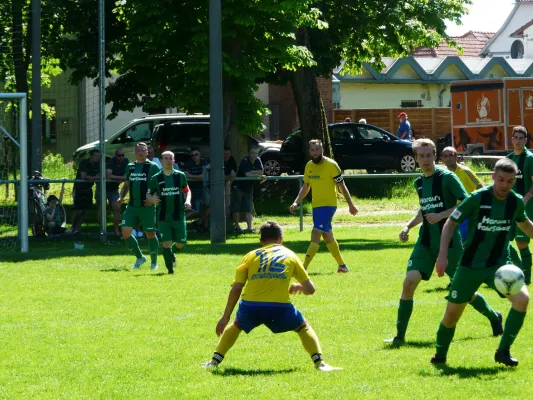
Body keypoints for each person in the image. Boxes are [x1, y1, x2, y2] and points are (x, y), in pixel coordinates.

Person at [385, 139, 502, 345]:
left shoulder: (447, 178)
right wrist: (407, 226)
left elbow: (467, 203)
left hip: (450, 244)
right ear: (416, 158)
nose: (425, 159)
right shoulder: (419, 182)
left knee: (465, 292)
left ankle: (494, 316)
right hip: (425, 242)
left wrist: (441, 215)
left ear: (435, 156)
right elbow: (424, 210)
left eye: (429, 155)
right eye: (421, 156)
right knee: (408, 283)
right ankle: (399, 336)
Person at [432, 158, 533, 367]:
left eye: (510, 181)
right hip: (469, 266)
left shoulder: (515, 202)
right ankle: (440, 356)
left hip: (499, 266)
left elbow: (525, 225)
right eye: (502, 180)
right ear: (494, 177)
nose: (505, 185)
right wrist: (442, 255)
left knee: (522, 299)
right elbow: (450, 223)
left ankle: (502, 351)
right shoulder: (477, 198)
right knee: (451, 315)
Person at [202, 221, 341, 372]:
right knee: (302, 326)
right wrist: (298, 286)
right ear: (281, 238)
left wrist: (225, 317)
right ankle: (319, 363)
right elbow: (310, 289)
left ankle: (214, 362)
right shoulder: (291, 256)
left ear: (261, 242)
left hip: (251, 306)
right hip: (279, 307)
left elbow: (237, 288)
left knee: (236, 325)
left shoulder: (250, 256)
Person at [289, 139, 358, 273]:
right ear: (309, 151)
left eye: (317, 149)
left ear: (322, 150)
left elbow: (342, 186)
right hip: (317, 206)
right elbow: (306, 186)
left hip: (329, 206)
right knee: (327, 236)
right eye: (312, 150)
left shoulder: (332, 165)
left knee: (315, 233)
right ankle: (342, 266)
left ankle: (303, 268)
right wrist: (296, 201)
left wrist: (351, 204)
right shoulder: (309, 166)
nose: (315, 152)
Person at [147, 151, 191, 274]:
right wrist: (152, 199)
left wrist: (188, 200)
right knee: (166, 242)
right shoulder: (156, 178)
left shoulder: (180, 175)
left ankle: (172, 252)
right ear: (161, 161)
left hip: (179, 214)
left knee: (181, 243)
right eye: (165, 158)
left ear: (173, 161)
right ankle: (170, 270)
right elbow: (148, 194)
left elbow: (187, 190)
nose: (168, 160)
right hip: (163, 216)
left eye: (170, 158)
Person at [118, 142, 161, 270]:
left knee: (150, 234)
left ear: (147, 152)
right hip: (132, 206)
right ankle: (140, 257)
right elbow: (126, 185)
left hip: (147, 207)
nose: (141, 152)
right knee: (125, 232)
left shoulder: (153, 167)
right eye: (138, 150)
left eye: (143, 150)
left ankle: (154, 263)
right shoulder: (130, 167)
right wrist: (121, 197)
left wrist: (152, 198)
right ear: (135, 152)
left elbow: (160, 185)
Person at [506, 126, 533, 285]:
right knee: (502, 239)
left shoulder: (529, 158)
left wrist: (526, 198)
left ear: (525, 140)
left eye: (521, 138)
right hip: (509, 207)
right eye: (515, 137)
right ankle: (518, 269)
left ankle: (526, 276)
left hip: (526, 206)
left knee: (522, 242)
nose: (517, 141)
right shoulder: (509, 159)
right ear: (512, 139)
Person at [440, 146, 483, 243]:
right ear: (442, 159)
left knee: (464, 240)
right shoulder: (442, 174)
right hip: (451, 211)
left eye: (451, 155)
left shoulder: (465, 171)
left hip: (466, 211)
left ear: (456, 157)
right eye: (445, 156)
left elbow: (481, 188)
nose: (448, 158)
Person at [231, 147, 264, 233]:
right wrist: (256, 173)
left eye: (256, 153)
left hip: (248, 189)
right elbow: (247, 174)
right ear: (249, 153)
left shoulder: (258, 160)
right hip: (238, 188)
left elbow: (261, 172)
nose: (254, 155)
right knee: (236, 209)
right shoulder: (245, 161)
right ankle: (237, 227)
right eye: (252, 153)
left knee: (248, 209)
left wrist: (254, 173)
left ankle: (249, 228)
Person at [71, 149, 100, 234]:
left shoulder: (98, 165)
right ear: (91, 156)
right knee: (77, 210)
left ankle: (77, 229)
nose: (97, 158)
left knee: (84, 211)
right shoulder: (84, 163)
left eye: (98, 156)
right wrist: (94, 177)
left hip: (88, 188)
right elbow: (84, 177)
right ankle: (71, 228)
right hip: (79, 188)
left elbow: (101, 175)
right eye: (95, 156)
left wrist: (92, 177)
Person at [106, 148, 129, 236]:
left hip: (113, 189)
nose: (121, 157)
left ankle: (116, 231)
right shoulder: (111, 162)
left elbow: (127, 174)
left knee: (117, 208)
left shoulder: (126, 161)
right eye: (119, 155)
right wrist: (121, 178)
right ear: (115, 156)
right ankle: (102, 231)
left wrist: (117, 178)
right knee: (101, 208)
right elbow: (108, 175)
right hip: (103, 188)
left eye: (123, 155)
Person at [183, 147, 209, 219]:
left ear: (200, 154)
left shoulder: (204, 162)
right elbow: (185, 174)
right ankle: (181, 221)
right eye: (192, 155)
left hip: (204, 188)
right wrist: (198, 177)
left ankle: (202, 224)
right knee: (195, 210)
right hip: (193, 190)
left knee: (207, 207)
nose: (194, 156)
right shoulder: (188, 163)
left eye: (196, 154)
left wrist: (192, 176)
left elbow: (204, 175)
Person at [224, 146, 237, 217]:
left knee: (228, 198)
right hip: (219, 183)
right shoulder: (219, 160)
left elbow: (233, 172)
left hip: (228, 183)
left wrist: (232, 173)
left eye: (228, 154)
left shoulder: (232, 159)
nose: (226, 155)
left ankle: (227, 216)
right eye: (225, 154)